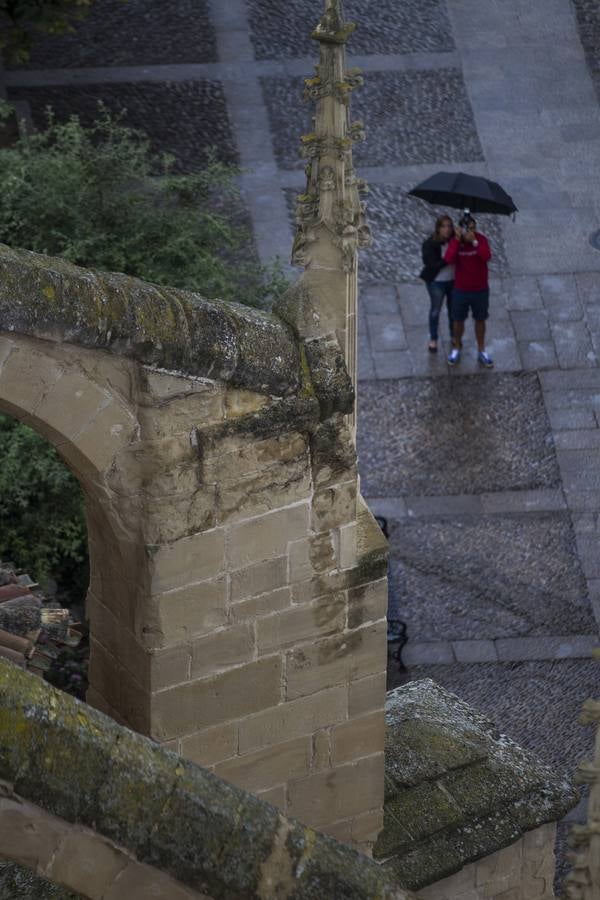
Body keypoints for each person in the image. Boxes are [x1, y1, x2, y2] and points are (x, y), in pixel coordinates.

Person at [444, 215, 493, 367]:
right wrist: (457, 241)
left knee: (480, 319)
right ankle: (456, 347)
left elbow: (486, 256)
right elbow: (449, 259)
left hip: (480, 289)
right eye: (467, 229)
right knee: (458, 321)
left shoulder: (481, 240)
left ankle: (482, 349)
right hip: (461, 290)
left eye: (472, 228)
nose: (470, 232)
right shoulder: (455, 242)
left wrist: (475, 242)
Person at [419, 214, 455, 353]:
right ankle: (433, 338)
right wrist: (447, 259)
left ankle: (453, 336)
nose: (447, 229)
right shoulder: (430, 244)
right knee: (435, 310)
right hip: (436, 283)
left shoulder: (455, 241)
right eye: (444, 226)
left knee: (453, 311)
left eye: (449, 226)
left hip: (453, 281)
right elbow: (431, 264)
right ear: (438, 228)